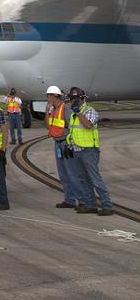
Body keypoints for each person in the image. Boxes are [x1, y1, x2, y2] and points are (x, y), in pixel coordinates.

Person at [64, 86, 114, 217]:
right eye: (71, 100)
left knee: (95, 179)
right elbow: (73, 130)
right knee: (83, 179)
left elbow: (87, 125)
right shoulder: (74, 114)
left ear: (82, 99)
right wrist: (69, 144)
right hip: (77, 150)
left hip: (89, 150)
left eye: (75, 99)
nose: (72, 102)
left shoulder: (89, 111)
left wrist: (78, 112)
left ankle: (107, 205)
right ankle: (91, 205)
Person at [45, 84, 76, 208]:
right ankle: (69, 200)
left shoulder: (65, 109)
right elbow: (48, 126)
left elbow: (72, 126)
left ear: (54, 96)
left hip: (65, 144)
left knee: (71, 173)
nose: (47, 98)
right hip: (57, 144)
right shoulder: (53, 110)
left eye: (48, 96)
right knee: (63, 174)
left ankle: (79, 200)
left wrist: (70, 143)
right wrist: (47, 111)